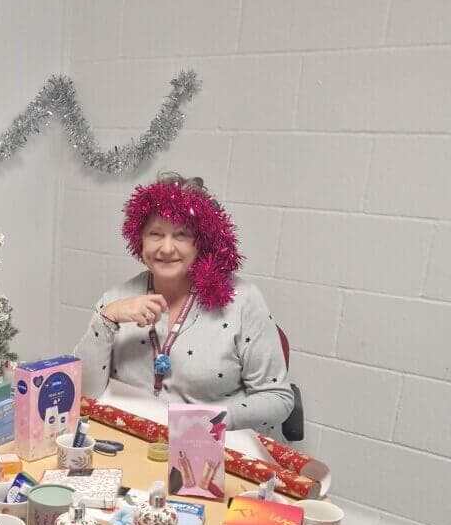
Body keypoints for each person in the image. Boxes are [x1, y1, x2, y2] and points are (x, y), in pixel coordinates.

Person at [75, 173, 294, 437]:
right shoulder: (115, 299)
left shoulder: (243, 300)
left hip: (212, 447)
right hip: (131, 445)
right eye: (155, 234)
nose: (166, 248)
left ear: (202, 241)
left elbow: (278, 398)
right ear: (140, 240)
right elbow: (86, 395)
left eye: (181, 235)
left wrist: (204, 421)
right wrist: (105, 319)